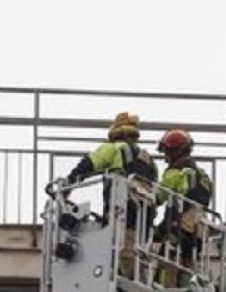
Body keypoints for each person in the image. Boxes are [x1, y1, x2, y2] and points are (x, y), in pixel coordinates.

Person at [65, 112, 159, 276]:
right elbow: (158, 194)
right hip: (145, 222)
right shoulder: (150, 161)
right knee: (138, 260)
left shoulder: (115, 148)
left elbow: (89, 164)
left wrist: (68, 184)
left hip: (121, 213)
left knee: (118, 259)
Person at [155, 128, 213, 288]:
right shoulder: (203, 176)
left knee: (167, 265)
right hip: (199, 230)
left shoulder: (177, 172)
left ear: (176, 151)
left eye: (167, 152)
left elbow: (157, 197)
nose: (166, 158)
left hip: (180, 226)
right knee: (189, 266)